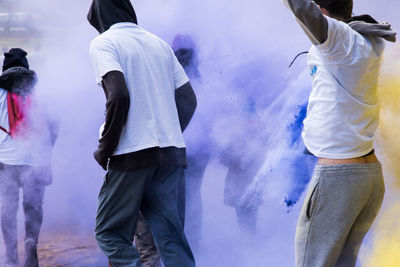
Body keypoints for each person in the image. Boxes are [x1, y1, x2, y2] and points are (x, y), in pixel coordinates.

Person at [282, 0, 396, 266]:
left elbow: (300, 7)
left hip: (339, 179)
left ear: (322, 11)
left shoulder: (339, 39)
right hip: (365, 177)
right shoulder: (361, 40)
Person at [87, 1, 197, 266]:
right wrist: (168, 132)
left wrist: (105, 149)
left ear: (100, 18)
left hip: (131, 156)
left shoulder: (104, 43)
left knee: (109, 232)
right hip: (170, 155)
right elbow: (188, 100)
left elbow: (119, 95)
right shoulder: (160, 44)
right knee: (171, 239)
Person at [133, 34, 206, 267]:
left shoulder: (165, 74)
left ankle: (159, 254)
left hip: (162, 153)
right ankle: (189, 244)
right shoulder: (196, 76)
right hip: (181, 154)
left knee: (152, 217)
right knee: (184, 204)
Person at [0, 48, 57, 267]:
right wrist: (45, 149)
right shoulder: (43, 89)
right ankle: (31, 242)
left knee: (7, 207)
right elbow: (55, 125)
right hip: (37, 159)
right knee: (33, 206)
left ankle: (11, 255)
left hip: (6, 160)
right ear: (27, 67)